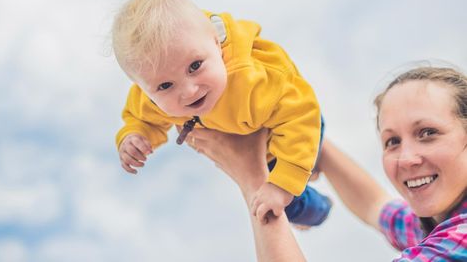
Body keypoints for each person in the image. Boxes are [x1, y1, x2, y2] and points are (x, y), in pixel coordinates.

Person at [186, 66, 467, 261]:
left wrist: (253, 178)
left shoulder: (459, 239)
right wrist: (304, 137)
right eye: (392, 141)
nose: (406, 159)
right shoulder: (439, 223)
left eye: (428, 133)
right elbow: (375, 206)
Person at [111, 0, 331, 226]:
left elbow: (301, 115)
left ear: (217, 45)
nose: (188, 91)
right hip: (249, 130)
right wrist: (135, 136)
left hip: (293, 126)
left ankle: (321, 208)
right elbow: (140, 117)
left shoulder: (251, 82)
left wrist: (281, 185)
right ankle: (309, 167)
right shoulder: (152, 95)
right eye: (165, 86)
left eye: (195, 66)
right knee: (281, 186)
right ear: (144, 88)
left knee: (287, 203)